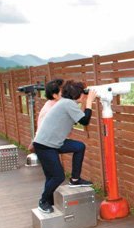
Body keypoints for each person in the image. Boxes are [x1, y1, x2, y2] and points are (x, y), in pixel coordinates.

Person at [32, 80, 97, 213]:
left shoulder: (66, 103)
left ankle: (75, 180)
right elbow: (85, 120)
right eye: (82, 94)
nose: (84, 95)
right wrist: (89, 102)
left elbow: (80, 118)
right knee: (57, 176)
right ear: (77, 94)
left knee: (79, 147)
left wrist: (85, 102)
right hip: (45, 145)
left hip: (52, 143)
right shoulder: (68, 104)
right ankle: (43, 201)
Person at [28, 78, 64, 152]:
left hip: (50, 141)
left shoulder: (53, 103)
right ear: (55, 95)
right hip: (46, 144)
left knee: (79, 147)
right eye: (62, 91)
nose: (65, 93)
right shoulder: (51, 109)